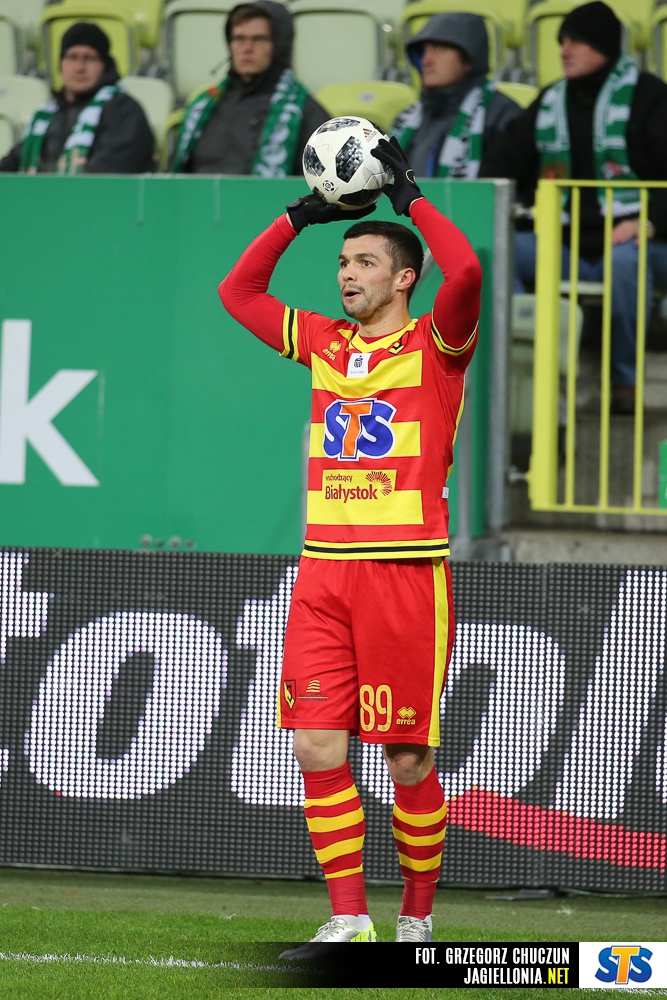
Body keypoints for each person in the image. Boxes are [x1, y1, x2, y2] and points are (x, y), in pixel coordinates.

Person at [220, 138, 481, 950]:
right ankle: (348, 918)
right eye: (342, 262)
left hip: (404, 574)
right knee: (313, 744)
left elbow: (466, 272)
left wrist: (408, 198)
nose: (346, 274)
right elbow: (237, 291)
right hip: (323, 575)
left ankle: (416, 919)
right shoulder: (325, 343)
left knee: (406, 761)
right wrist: (301, 214)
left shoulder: (437, 346)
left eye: (365, 262)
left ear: (404, 278)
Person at [479, 1, 667, 414]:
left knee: (625, 262)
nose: (564, 50)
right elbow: (502, 161)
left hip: (637, 242)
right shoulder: (551, 99)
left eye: (576, 41)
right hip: (563, 244)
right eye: (561, 41)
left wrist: (648, 221)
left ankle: (624, 383)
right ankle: (528, 368)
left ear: (604, 45)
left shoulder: (652, 97)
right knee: (499, 251)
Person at [172, 1, 328, 176]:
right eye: (239, 39)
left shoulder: (305, 113)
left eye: (259, 39)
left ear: (279, 45)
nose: (247, 49)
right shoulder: (202, 108)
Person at [0, 22, 154, 174]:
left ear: (105, 65)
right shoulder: (48, 115)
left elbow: (110, 171)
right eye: (72, 57)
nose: (80, 67)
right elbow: (14, 162)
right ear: (60, 64)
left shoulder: (124, 111)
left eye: (90, 58)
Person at [391, 12, 521, 178]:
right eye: (423, 51)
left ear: (469, 58)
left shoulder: (503, 116)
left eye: (439, 50)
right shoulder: (407, 119)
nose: (426, 61)